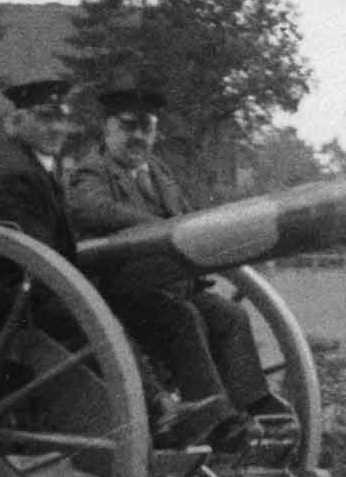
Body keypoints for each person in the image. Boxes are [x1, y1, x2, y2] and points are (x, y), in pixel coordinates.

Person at [0, 79, 228, 448]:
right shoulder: (15, 172)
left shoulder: (37, 165)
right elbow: (35, 251)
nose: (56, 127)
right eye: (44, 117)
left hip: (26, 282)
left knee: (101, 309)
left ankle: (163, 408)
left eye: (61, 117)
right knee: (99, 318)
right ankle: (159, 408)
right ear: (17, 121)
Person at [68, 85, 291, 452]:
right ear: (107, 129)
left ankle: (254, 402)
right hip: (116, 296)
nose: (138, 136)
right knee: (182, 318)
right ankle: (217, 421)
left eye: (147, 127)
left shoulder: (159, 173)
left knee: (230, 314)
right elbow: (92, 211)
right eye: (128, 126)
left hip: (169, 288)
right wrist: (160, 228)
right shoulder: (91, 172)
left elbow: (189, 219)